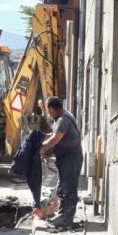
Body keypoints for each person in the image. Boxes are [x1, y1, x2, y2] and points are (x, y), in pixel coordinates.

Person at [40, 96, 82, 227]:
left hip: (71, 159)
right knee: (62, 187)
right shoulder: (64, 115)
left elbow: (55, 138)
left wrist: (41, 147)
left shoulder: (62, 120)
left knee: (68, 188)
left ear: (52, 108)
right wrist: (40, 137)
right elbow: (54, 134)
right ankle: (63, 214)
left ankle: (67, 218)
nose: (48, 112)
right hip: (67, 159)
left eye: (48, 109)